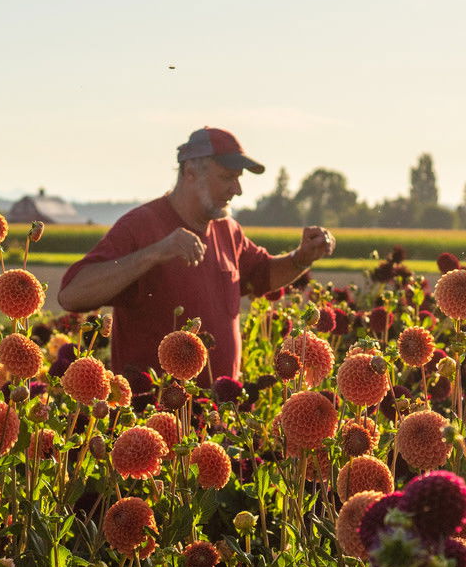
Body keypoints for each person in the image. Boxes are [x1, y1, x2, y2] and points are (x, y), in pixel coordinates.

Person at [58, 127, 336, 381]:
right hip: (152, 417)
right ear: (190, 172)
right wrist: (155, 252)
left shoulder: (228, 230)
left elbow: (262, 274)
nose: (237, 190)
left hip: (217, 416)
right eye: (227, 178)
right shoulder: (140, 226)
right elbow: (72, 294)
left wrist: (302, 257)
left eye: (238, 179)